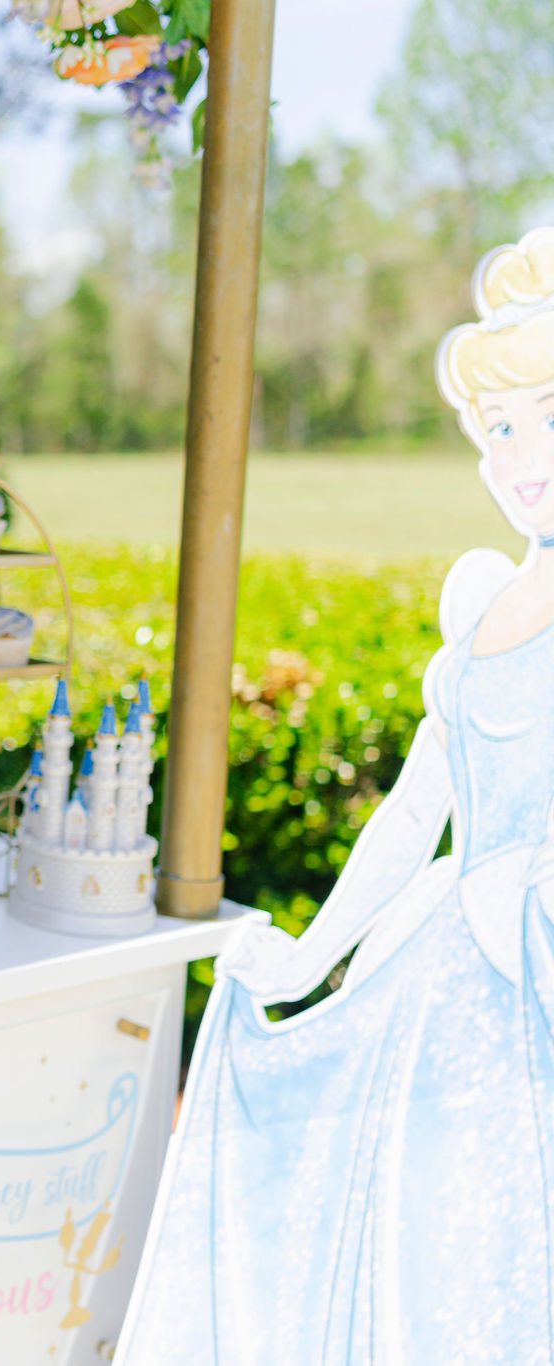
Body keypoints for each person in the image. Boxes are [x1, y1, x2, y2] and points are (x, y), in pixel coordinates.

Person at [124, 228, 554, 1362]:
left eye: (548, 417)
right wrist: (313, 957)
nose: (521, 458)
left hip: (537, 987)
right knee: (423, 1254)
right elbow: (417, 812)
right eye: (500, 427)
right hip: (445, 976)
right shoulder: (480, 603)